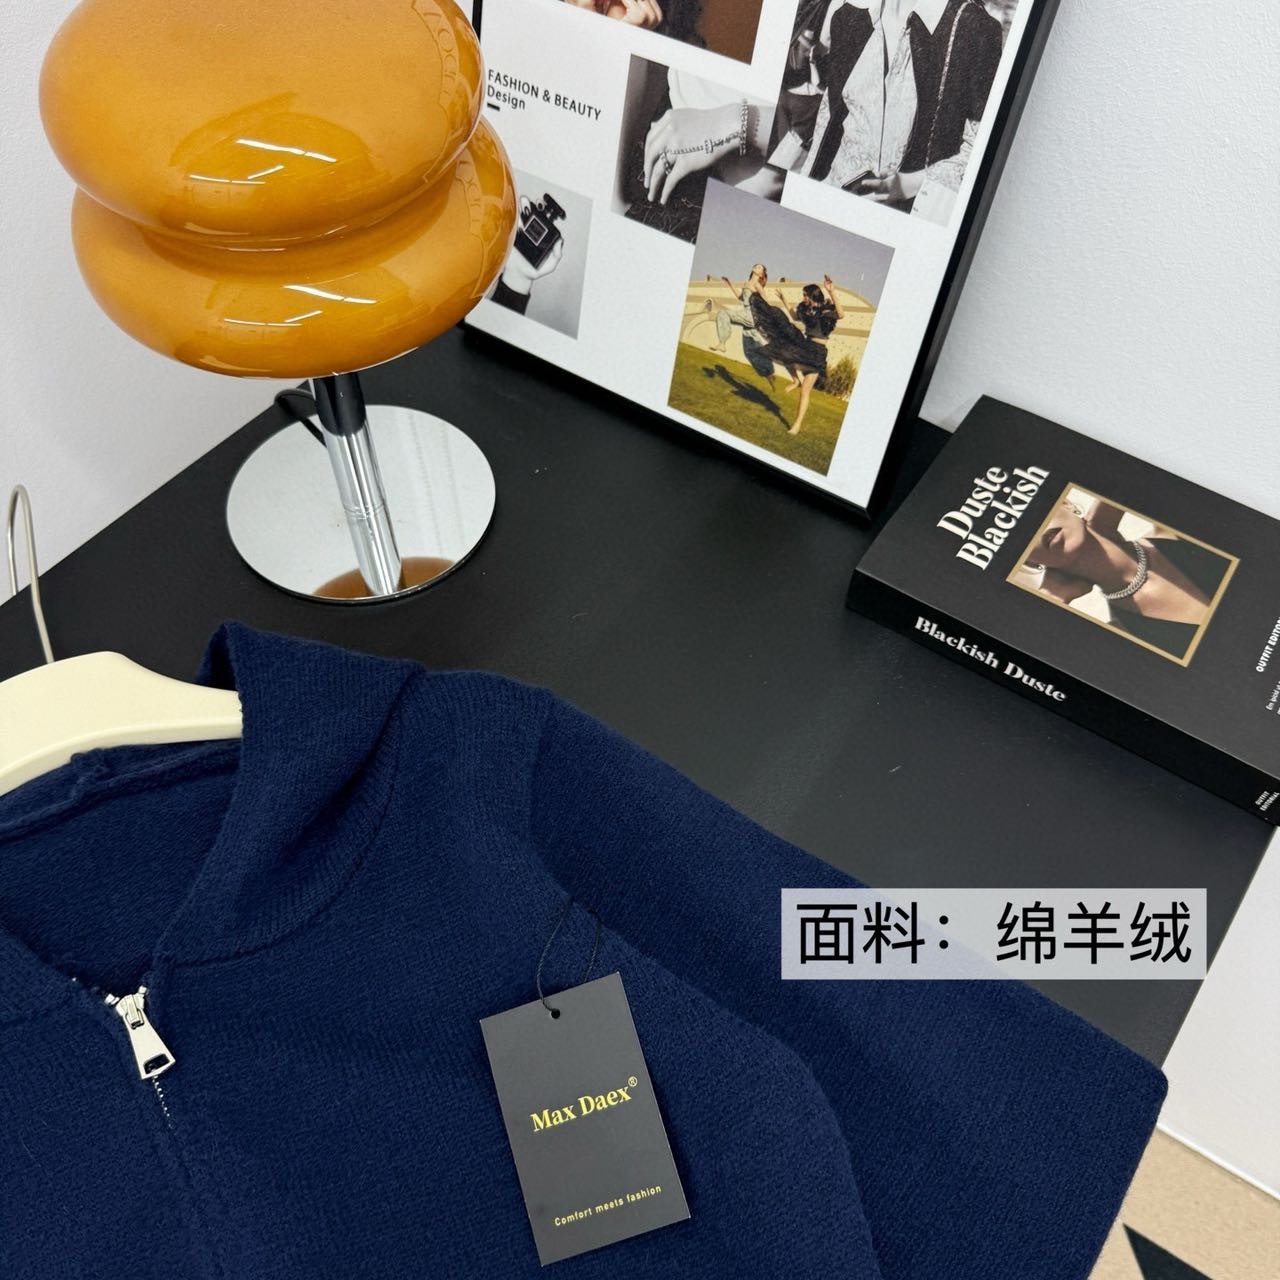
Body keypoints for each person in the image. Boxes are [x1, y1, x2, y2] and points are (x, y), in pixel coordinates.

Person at [783, 0, 1003, 223]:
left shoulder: (975, 30)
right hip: (830, 203)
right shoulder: (849, 16)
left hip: (898, 222)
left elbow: (981, 151)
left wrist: (909, 185)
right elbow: (827, 123)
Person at [1024, 496, 1231, 661]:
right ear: (1029, 562)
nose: (1041, 529)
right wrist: (1052, 597)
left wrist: (1105, 507)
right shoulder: (1123, 634)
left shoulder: (1173, 531)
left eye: (1042, 510)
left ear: (1067, 505)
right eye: (1026, 534)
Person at [710, 264, 766, 353]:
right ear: (752, 269)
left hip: (751, 314)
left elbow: (765, 301)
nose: (757, 267)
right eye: (756, 266)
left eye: (760, 268)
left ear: (761, 274)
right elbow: (740, 297)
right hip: (746, 313)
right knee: (755, 341)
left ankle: (722, 343)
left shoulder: (757, 285)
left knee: (723, 313)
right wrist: (729, 284)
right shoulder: (747, 283)